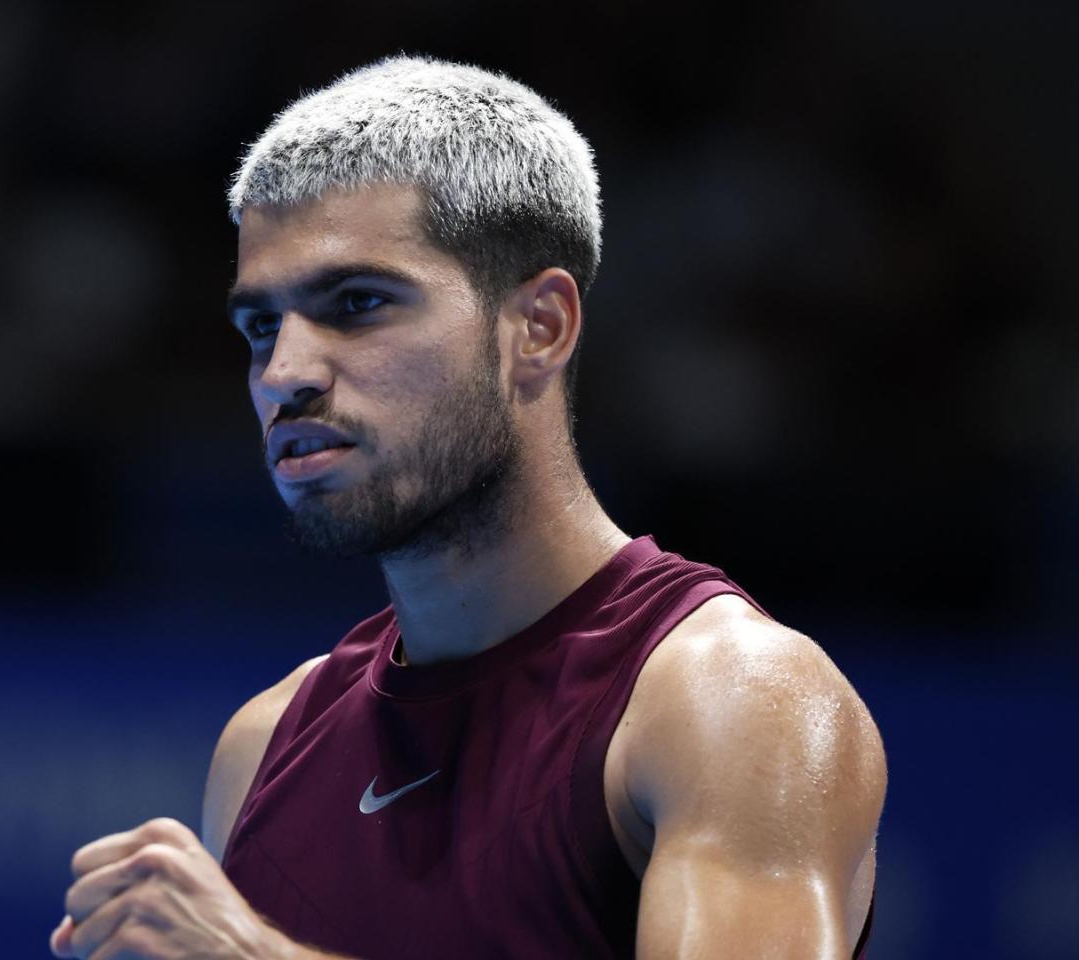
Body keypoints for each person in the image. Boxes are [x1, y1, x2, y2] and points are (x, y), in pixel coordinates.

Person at [51, 55, 886, 959]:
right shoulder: (263, 747)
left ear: (540, 328)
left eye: (358, 304)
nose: (285, 373)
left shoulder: (730, 699)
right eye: (262, 326)